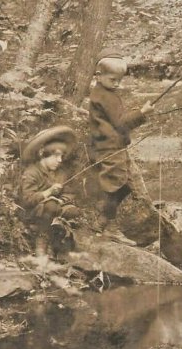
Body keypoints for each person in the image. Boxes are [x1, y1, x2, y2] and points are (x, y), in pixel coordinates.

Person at [88, 48, 154, 245]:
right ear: (98, 76)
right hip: (110, 148)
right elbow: (121, 123)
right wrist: (142, 112)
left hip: (109, 145)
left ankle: (101, 223)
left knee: (122, 186)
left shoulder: (101, 92)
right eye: (112, 80)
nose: (117, 84)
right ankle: (109, 227)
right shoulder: (106, 96)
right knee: (114, 186)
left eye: (119, 80)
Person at [20, 126, 80, 257]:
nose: (60, 160)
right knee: (51, 205)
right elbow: (26, 200)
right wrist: (49, 192)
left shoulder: (61, 173)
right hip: (35, 211)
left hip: (56, 209)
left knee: (73, 211)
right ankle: (41, 241)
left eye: (62, 156)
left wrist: (62, 200)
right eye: (56, 155)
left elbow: (70, 192)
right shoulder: (32, 172)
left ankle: (56, 242)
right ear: (43, 153)